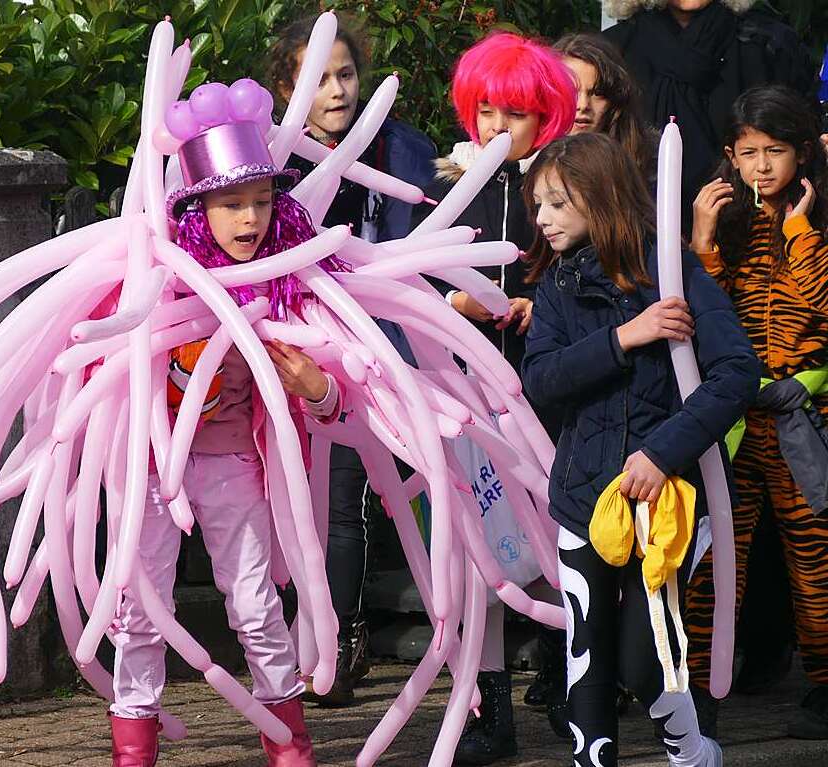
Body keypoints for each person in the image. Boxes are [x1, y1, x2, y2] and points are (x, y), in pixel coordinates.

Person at [108, 83, 350, 767]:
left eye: (263, 202)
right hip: (149, 468)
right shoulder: (162, 282)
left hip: (229, 466)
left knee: (255, 605)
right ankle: (134, 749)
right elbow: (115, 379)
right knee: (136, 612)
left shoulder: (294, 286)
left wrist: (320, 387)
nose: (250, 218)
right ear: (197, 209)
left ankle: (290, 745)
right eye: (232, 203)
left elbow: (349, 405)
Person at [522, 131, 760, 767]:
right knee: (587, 653)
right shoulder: (555, 287)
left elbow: (737, 372)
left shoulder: (672, 272)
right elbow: (539, 379)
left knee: (646, 660)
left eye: (556, 204)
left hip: (666, 504)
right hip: (581, 499)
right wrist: (624, 337)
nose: (540, 219)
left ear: (600, 202)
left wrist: (662, 455)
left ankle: (689, 748)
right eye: (537, 204)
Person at [410, 31, 577, 764]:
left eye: (514, 113)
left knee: (560, 545)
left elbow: (593, 276)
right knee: (478, 554)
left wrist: (536, 306)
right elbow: (415, 280)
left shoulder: (567, 184)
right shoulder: (456, 186)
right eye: (484, 112)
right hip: (469, 395)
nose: (496, 129)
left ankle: (573, 689)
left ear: (547, 114)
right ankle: (488, 707)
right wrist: (456, 301)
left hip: (552, 399)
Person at [267, 15, 437, 707]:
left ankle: (339, 642)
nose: (337, 90)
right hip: (287, 348)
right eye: (320, 78)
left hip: (376, 353)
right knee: (286, 502)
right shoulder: (272, 154)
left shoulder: (404, 150)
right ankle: (289, 642)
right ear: (288, 88)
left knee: (342, 500)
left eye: (346, 74)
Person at [687, 84, 828, 740]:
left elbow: (816, 311)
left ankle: (825, 686)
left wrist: (799, 236)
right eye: (750, 152)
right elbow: (699, 319)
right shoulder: (729, 223)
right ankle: (695, 689)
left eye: (776, 151)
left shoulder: (817, 223)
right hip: (735, 418)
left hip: (807, 418)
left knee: (815, 558)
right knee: (716, 556)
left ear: (802, 153)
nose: (764, 166)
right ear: (730, 157)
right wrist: (705, 240)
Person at [604, 0, 814, 228]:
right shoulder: (613, 51)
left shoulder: (770, 45)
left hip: (754, 234)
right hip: (637, 230)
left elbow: (804, 142)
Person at [553, 32, 659, 185]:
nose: (583, 105)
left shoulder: (650, 163)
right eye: (570, 91)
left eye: (597, 93)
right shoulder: (523, 168)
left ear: (615, 99)